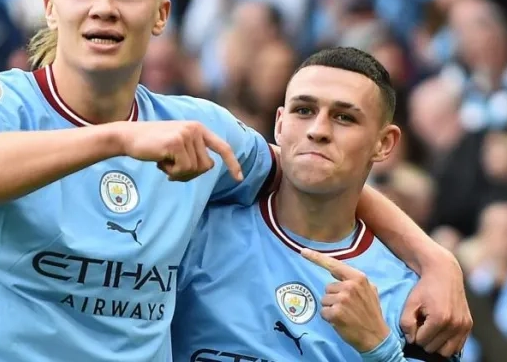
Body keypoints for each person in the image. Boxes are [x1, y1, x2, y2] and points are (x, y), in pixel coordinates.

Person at [0, 0, 470, 361]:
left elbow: (308, 167)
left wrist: (435, 259)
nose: (103, 7)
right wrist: (116, 141)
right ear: (50, 7)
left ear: (160, 15)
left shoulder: (194, 128)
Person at [171, 47, 464, 361]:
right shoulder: (195, 235)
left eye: (344, 117)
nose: (318, 130)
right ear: (280, 124)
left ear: (384, 143)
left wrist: (380, 349)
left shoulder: (415, 299)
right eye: (304, 110)